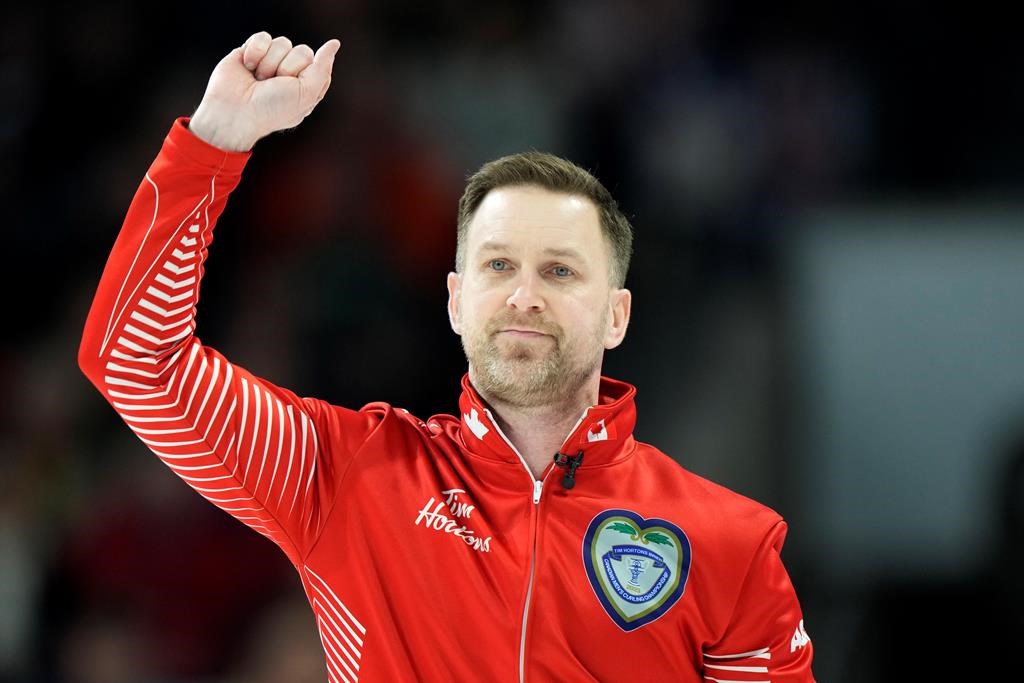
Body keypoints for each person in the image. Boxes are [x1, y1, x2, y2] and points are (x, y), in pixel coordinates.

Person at [78, 31, 815, 682]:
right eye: (498, 266)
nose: (524, 295)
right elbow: (135, 361)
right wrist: (212, 144)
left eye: (559, 270)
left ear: (616, 314)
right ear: (457, 301)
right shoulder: (347, 474)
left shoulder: (731, 545)